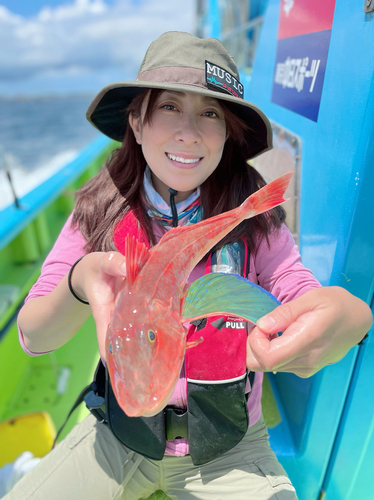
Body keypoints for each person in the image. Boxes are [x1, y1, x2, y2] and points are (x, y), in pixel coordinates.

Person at [6, 32, 371, 500]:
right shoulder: (95, 215)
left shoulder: (255, 223)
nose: (189, 132)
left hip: (229, 448)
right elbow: (34, 337)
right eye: (169, 107)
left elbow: (296, 289)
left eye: (210, 113)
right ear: (136, 123)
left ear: (227, 134)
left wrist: (351, 317)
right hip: (118, 437)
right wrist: (79, 283)